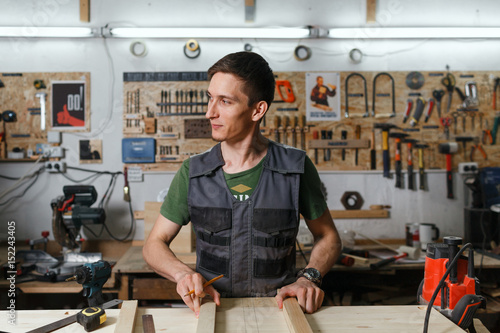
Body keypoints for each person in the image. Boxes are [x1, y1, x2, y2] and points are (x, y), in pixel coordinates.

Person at [143, 51, 341, 317]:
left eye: (224, 101)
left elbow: (328, 237)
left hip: (280, 312)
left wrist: (309, 278)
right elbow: (154, 243)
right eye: (210, 98)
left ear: (258, 110)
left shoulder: (296, 168)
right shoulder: (193, 173)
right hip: (213, 312)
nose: (209, 112)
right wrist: (183, 274)